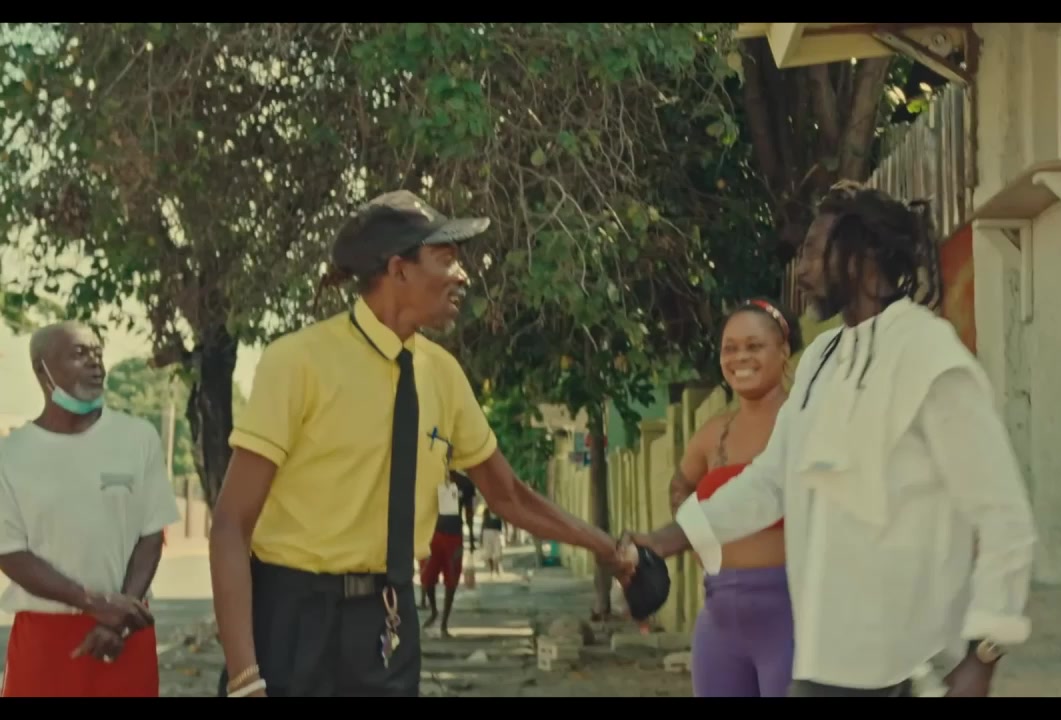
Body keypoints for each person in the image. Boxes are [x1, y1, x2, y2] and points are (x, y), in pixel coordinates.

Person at [209, 190, 633, 698]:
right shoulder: (298, 363)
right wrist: (245, 678)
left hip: (387, 623)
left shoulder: (442, 375)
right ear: (399, 270)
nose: (463, 276)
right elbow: (231, 523)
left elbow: (508, 495)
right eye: (447, 259)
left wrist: (608, 548)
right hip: (293, 619)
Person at [624, 182, 1037, 698]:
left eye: (815, 252)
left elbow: (1004, 516)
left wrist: (984, 656)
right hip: (823, 664)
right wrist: (666, 540)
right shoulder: (821, 359)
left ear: (861, 258)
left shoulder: (930, 355)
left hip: (910, 671)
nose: (802, 271)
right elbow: (771, 481)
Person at [0, 322, 180, 697]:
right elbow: (10, 553)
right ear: (42, 369)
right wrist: (94, 603)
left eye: (98, 353)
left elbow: (151, 537)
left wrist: (116, 620)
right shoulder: (11, 456)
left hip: (125, 634)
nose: (96, 363)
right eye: (80, 354)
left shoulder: (138, 438)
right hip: (45, 641)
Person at [666, 298, 802, 697]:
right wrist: (698, 540)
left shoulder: (804, 421)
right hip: (719, 618)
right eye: (730, 348)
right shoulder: (714, 432)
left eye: (754, 346)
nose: (740, 357)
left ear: (784, 351)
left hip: (792, 617)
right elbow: (680, 485)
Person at [418, 471, 475, 636]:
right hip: (432, 535)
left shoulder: (466, 483)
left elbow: (469, 512)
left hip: (454, 536)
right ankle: (434, 611)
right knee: (427, 578)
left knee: (451, 580)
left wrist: (471, 539)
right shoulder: (431, 477)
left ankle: (444, 624)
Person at [480, 506, 504, 576]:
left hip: (497, 532)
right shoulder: (486, 510)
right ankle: (492, 569)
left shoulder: (499, 510)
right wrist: (481, 536)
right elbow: (483, 522)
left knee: (498, 551)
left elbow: (502, 521)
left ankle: (497, 567)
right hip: (487, 531)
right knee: (488, 552)